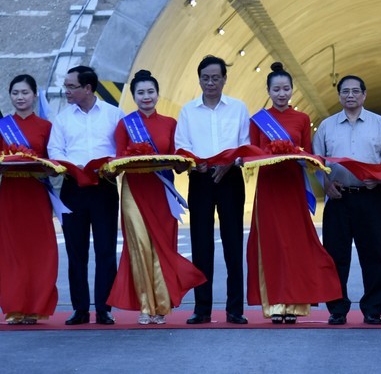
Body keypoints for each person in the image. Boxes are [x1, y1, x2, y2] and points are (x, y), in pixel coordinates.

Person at [107, 70, 206, 325]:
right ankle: (144, 305)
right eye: (141, 92)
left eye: (151, 91)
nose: (146, 97)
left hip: (162, 192)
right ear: (134, 96)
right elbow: (117, 160)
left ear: (158, 94)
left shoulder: (170, 124)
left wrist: (188, 163)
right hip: (134, 192)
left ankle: (161, 307)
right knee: (139, 248)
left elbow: (179, 161)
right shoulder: (125, 124)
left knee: (163, 248)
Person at [246, 62, 341, 324]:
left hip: (292, 187)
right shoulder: (258, 120)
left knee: (296, 244)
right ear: (268, 90)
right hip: (268, 188)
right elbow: (251, 153)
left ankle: (296, 304)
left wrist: (302, 159)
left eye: (286, 88)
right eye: (276, 89)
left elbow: (309, 154)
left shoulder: (301, 119)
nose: (281, 93)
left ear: (292, 90)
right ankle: (275, 303)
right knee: (272, 244)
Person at [312, 75, 381, 326]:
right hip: (338, 200)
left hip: (370, 197)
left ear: (364, 95)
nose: (350, 95)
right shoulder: (327, 126)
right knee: (336, 255)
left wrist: (380, 177)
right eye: (345, 91)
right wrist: (326, 185)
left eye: (355, 91)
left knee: (373, 255)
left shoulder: (379, 123)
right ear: (339, 95)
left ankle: (373, 309)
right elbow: (316, 162)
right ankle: (337, 309)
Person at [175, 55, 250, 325]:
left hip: (230, 178)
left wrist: (230, 163)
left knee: (233, 245)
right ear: (199, 80)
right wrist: (195, 166)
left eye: (215, 78)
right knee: (201, 245)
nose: (210, 83)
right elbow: (181, 145)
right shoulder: (188, 111)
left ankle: (234, 310)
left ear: (224, 79)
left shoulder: (238, 108)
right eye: (205, 78)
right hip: (201, 178)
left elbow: (246, 144)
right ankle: (202, 309)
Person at [48, 65, 124, 325]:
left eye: (71, 86)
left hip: (104, 186)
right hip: (73, 188)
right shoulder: (62, 118)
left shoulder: (114, 115)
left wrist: (113, 167)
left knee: (105, 250)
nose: (66, 91)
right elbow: (54, 150)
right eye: (66, 86)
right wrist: (72, 166)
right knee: (75, 251)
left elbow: (122, 150)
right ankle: (80, 308)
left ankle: (104, 308)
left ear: (88, 88)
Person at [0, 75, 58, 325]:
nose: (20, 97)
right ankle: (15, 306)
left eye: (25, 92)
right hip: (11, 193)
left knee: (39, 251)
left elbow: (54, 160)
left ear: (35, 95)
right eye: (15, 93)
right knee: (11, 252)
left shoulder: (46, 127)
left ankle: (36, 306)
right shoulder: (3, 125)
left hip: (36, 193)